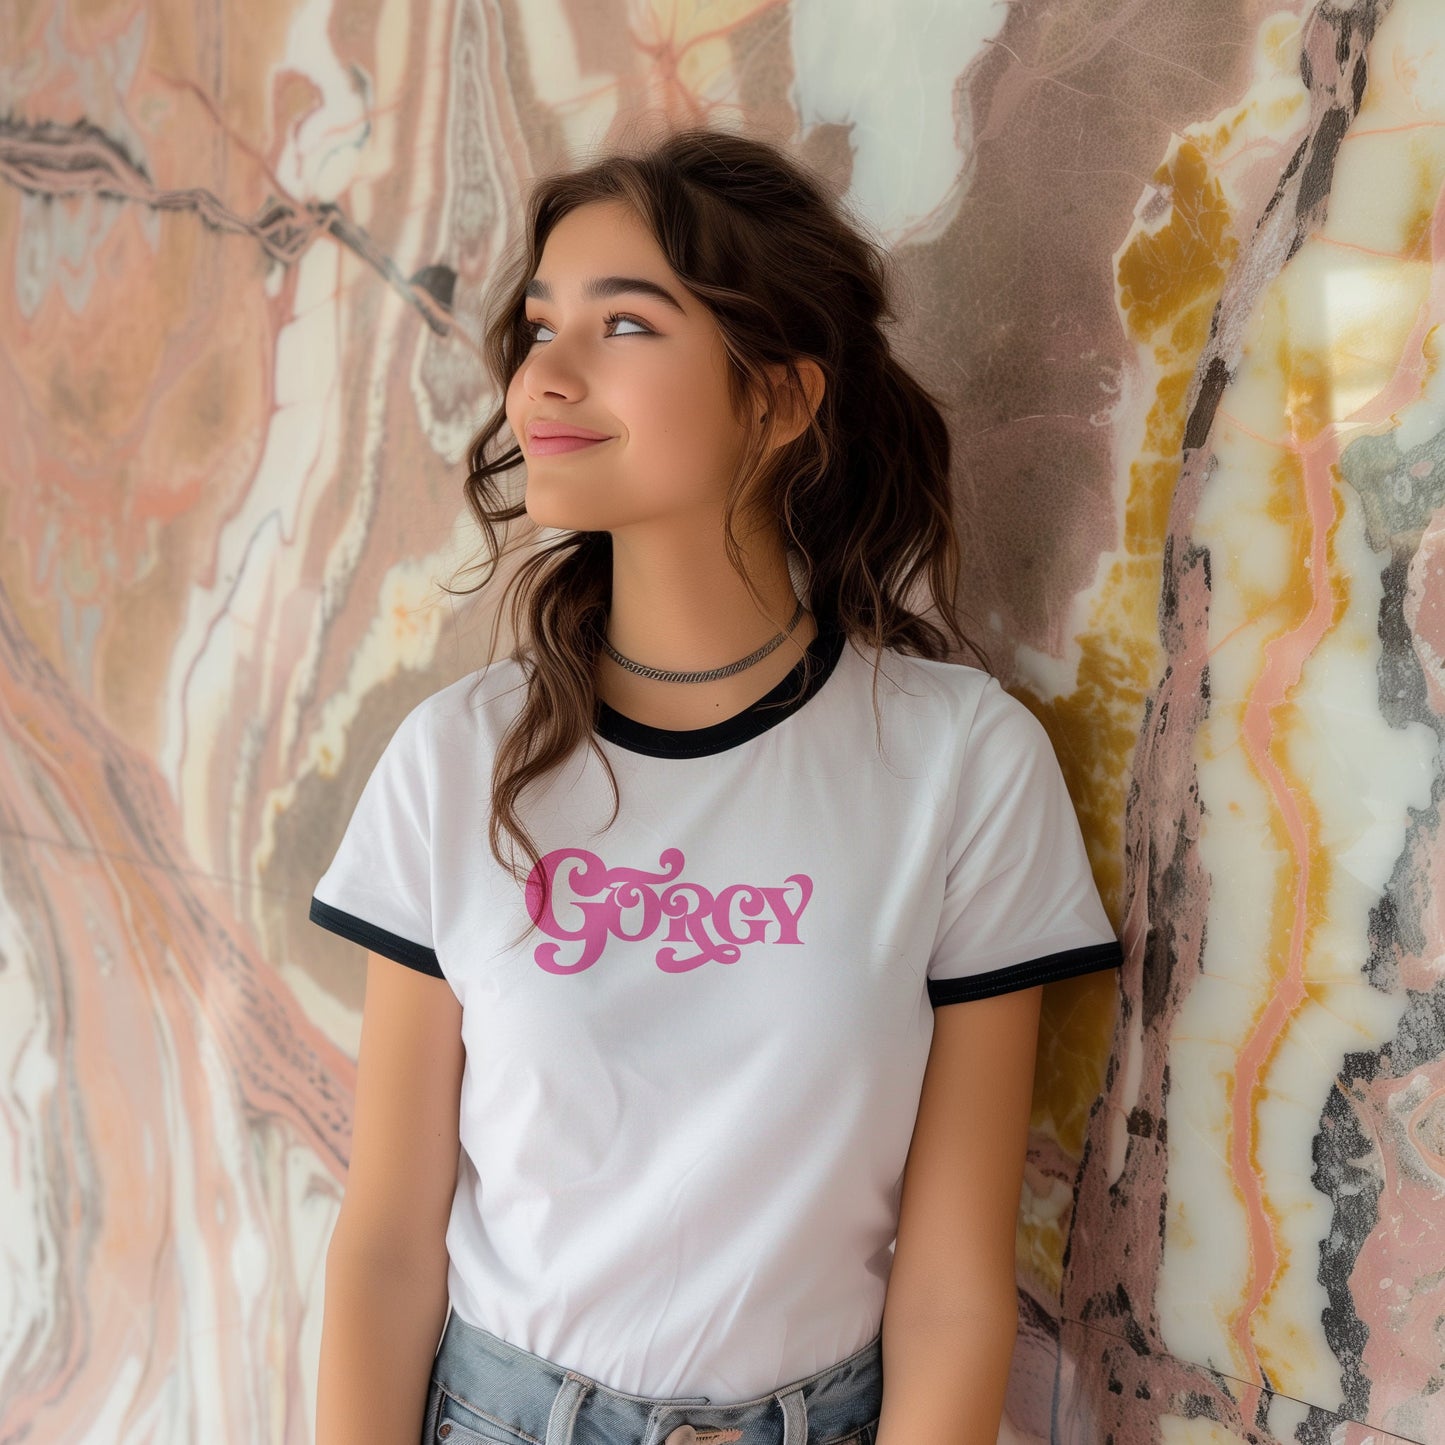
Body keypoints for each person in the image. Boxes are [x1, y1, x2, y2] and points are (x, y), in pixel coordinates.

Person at [308, 124, 1123, 1445]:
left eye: (623, 326)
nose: (543, 377)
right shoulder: (458, 758)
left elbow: (955, 1286)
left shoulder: (958, 762)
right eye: (538, 325)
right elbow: (389, 1241)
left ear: (781, 397)